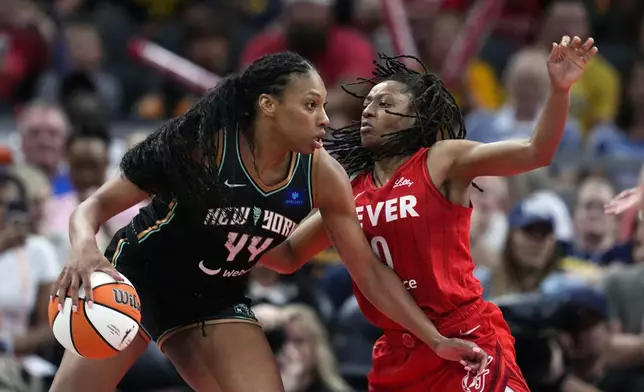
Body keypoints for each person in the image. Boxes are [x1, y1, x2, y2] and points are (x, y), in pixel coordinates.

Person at [48, 51, 487, 392]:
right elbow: (92, 208)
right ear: (269, 106)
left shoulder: (322, 174)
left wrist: (433, 338)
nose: (325, 119)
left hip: (212, 298)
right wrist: (85, 250)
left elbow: (366, 272)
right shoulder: (204, 146)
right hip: (137, 282)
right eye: (311, 105)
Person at [261, 36, 597, 391]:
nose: (368, 110)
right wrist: (226, 219)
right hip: (398, 352)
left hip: (463, 332)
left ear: (415, 118)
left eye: (385, 103)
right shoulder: (347, 188)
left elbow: (535, 152)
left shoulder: (440, 160)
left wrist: (560, 92)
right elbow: (287, 255)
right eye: (368, 103)